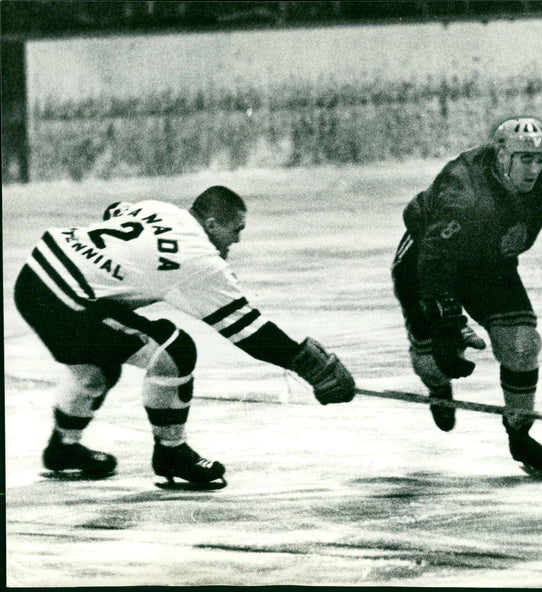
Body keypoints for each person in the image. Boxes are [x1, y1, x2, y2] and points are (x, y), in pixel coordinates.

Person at [14, 185, 355, 489]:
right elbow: (248, 331)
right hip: (64, 297)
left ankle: (63, 449)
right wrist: (307, 364)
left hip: (35, 275)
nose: (237, 240)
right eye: (236, 230)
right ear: (211, 225)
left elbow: (115, 210)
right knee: (174, 350)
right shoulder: (201, 261)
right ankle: (172, 454)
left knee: (99, 365)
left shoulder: (161, 209)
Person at [391, 116, 542, 477]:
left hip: (491, 267)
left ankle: (519, 431)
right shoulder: (462, 192)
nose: (534, 170)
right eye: (524, 160)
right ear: (500, 155)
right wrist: (448, 323)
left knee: (522, 345)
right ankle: (437, 385)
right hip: (426, 263)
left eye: (539, 160)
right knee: (435, 361)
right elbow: (434, 262)